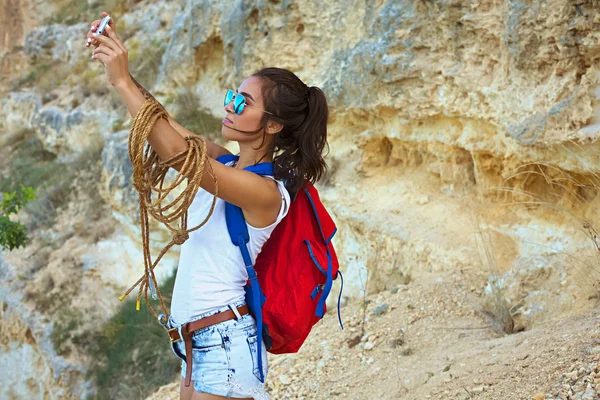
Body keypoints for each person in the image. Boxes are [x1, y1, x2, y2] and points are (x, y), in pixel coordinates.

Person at [86, 12, 329, 400]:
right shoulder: (226, 162)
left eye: (243, 102)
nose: (229, 104)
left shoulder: (267, 193)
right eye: (232, 95)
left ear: (273, 126)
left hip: (224, 342)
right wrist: (120, 67)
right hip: (195, 342)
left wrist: (120, 79)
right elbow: (162, 124)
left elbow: (180, 155)